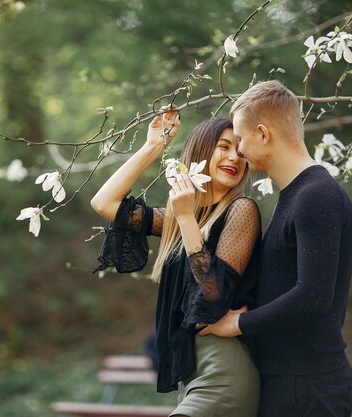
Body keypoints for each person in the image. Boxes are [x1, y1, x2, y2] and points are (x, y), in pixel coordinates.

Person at [197, 80, 352, 417]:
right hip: (289, 381)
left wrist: (240, 323)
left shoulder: (316, 196)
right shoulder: (297, 195)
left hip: (308, 386)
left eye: (240, 139)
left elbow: (313, 297)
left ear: (263, 133)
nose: (238, 151)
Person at [91, 107, 262, 417]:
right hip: (191, 374)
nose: (235, 157)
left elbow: (213, 296)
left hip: (222, 372)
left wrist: (184, 217)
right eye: (224, 147)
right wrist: (153, 147)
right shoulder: (180, 219)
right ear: (200, 152)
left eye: (239, 150)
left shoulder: (241, 210)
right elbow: (105, 203)